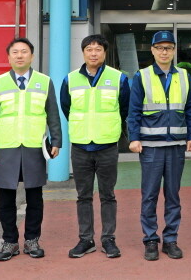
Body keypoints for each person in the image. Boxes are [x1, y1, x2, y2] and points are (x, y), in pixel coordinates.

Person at [0, 38, 62, 261]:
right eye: (15, 52)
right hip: (6, 148)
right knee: (6, 198)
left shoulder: (44, 81)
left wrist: (56, 140)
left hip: (33, 146)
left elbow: (53, 114)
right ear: (8, 57)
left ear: (32, 56)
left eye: (24, 52)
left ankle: (31, 240)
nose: (20, 56)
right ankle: (9, 241)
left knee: (35, 197)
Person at [128, 30, 191, 261]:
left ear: (174, 50)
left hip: (177, 144)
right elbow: (134, 110)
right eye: (160, 48)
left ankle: (170, 240)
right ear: (153, 50)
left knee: (173, 194)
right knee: (149, 195)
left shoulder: (184, 76)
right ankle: (150, 240)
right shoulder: (142, 76)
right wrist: (134, 138)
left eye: (168, 47)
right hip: (150, 146)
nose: (164, 52)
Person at [60, 34, 130, 259]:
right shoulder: (70, 79)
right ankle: (85, 239)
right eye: (89, 49)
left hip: (107, 145)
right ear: (83, 52)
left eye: (98, 49)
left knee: (108, 195)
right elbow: (66, 108)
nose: (93, 53)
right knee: (83, 195)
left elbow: (124, 108)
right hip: (80, 146)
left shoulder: (119, 78)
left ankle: (108, 239)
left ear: (104, 53)